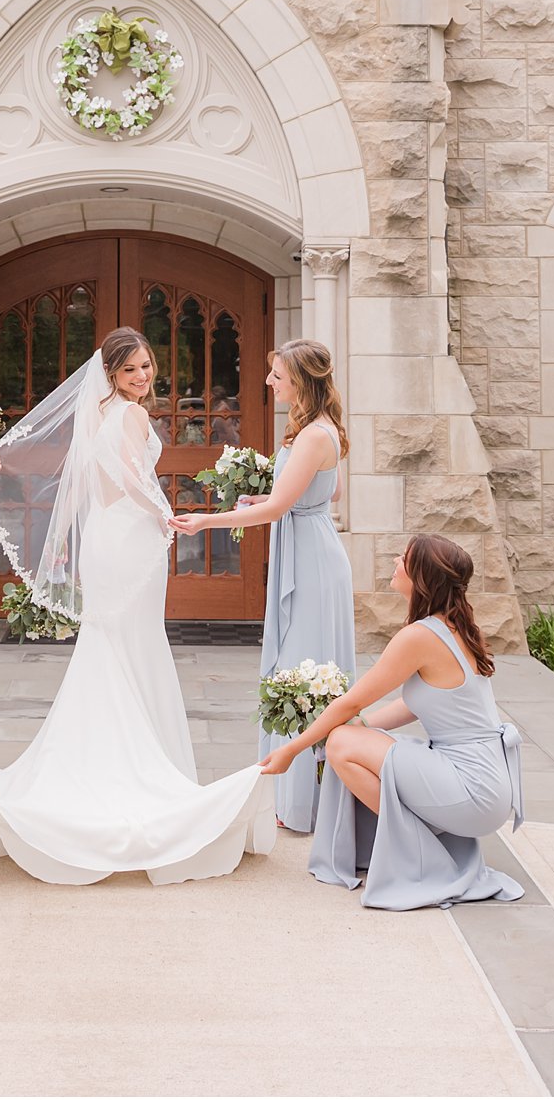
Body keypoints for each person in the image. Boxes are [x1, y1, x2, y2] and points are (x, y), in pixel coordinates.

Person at [0, 328, 273, 885]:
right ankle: (141, 766)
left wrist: (108, 529)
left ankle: (100, 761)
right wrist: (166, 511)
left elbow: (89, 486)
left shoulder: (97, 412)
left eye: (147, 367)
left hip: (106, 538)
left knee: (115, 645)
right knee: (135, 643)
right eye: (130, 372)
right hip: (127, 536)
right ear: (111, 375)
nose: (142, 378)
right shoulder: (128, 415)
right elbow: (128, 475)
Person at [261, 532, 524, 910]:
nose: (394, 562)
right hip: (486, 781)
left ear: (421, 577)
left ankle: (418, 852)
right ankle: (413, 844)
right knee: (350, 738)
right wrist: (363, 729)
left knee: (339, 744)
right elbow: (415, 705)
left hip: (473, 786)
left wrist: (292, 750)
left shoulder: (418, 637)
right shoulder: (454, 626)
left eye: (403, 558)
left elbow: (350, 702)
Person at [170, 339, 355, 833]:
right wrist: (268, 493)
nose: (269, 382)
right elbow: (328, 491)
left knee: (303, 665)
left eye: (277, 375)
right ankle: (306, 792)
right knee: (308, 663)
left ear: (300, 380)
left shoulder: (313, 435)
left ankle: (302, 801)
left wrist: (203, 522)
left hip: (311, 559)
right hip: (314, 542)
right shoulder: (323, 429)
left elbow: (278, 509)